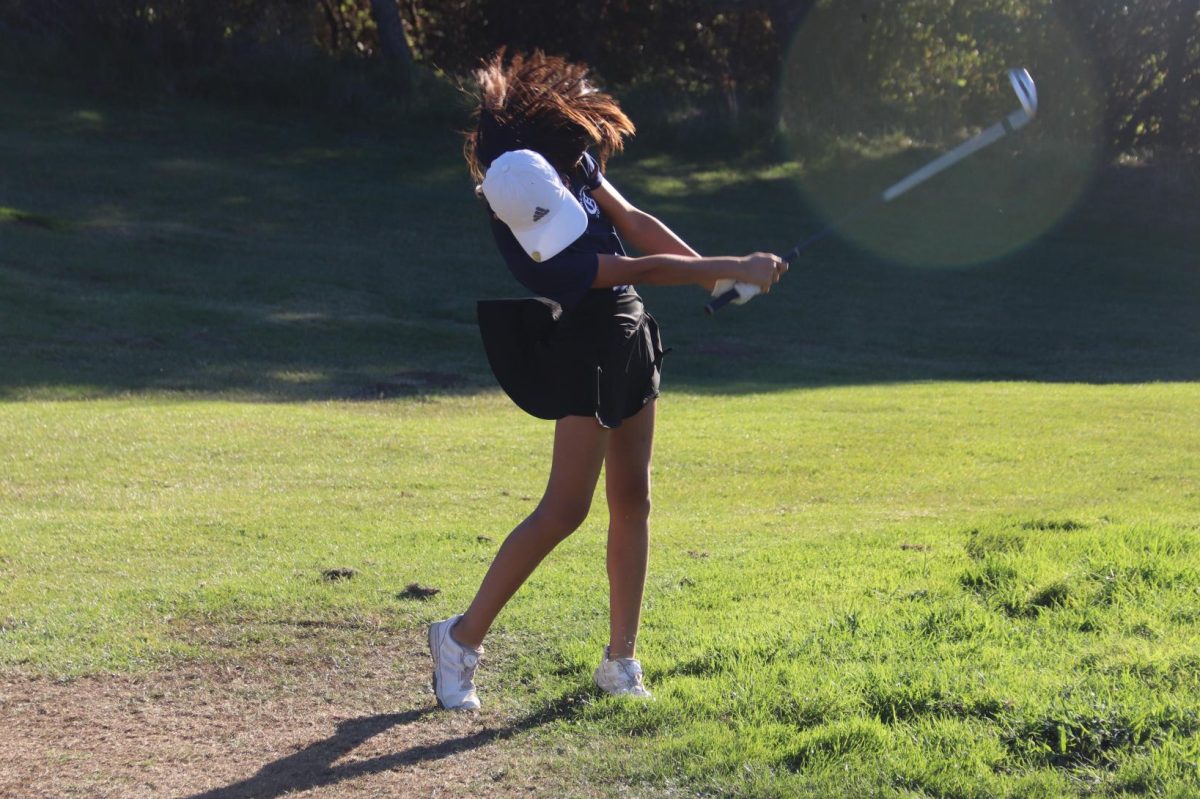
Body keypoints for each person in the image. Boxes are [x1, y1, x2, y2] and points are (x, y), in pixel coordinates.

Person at [428, 50, 786, 710]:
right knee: (565, 510)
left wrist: (712, 273)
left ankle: (621, 660)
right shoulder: (536, 250)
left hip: (627, 333)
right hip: (583, 348)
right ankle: (459, 638)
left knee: (634, 499)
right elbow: (637, 269)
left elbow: (633, 223)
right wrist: (734, 262)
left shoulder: (555, 162)